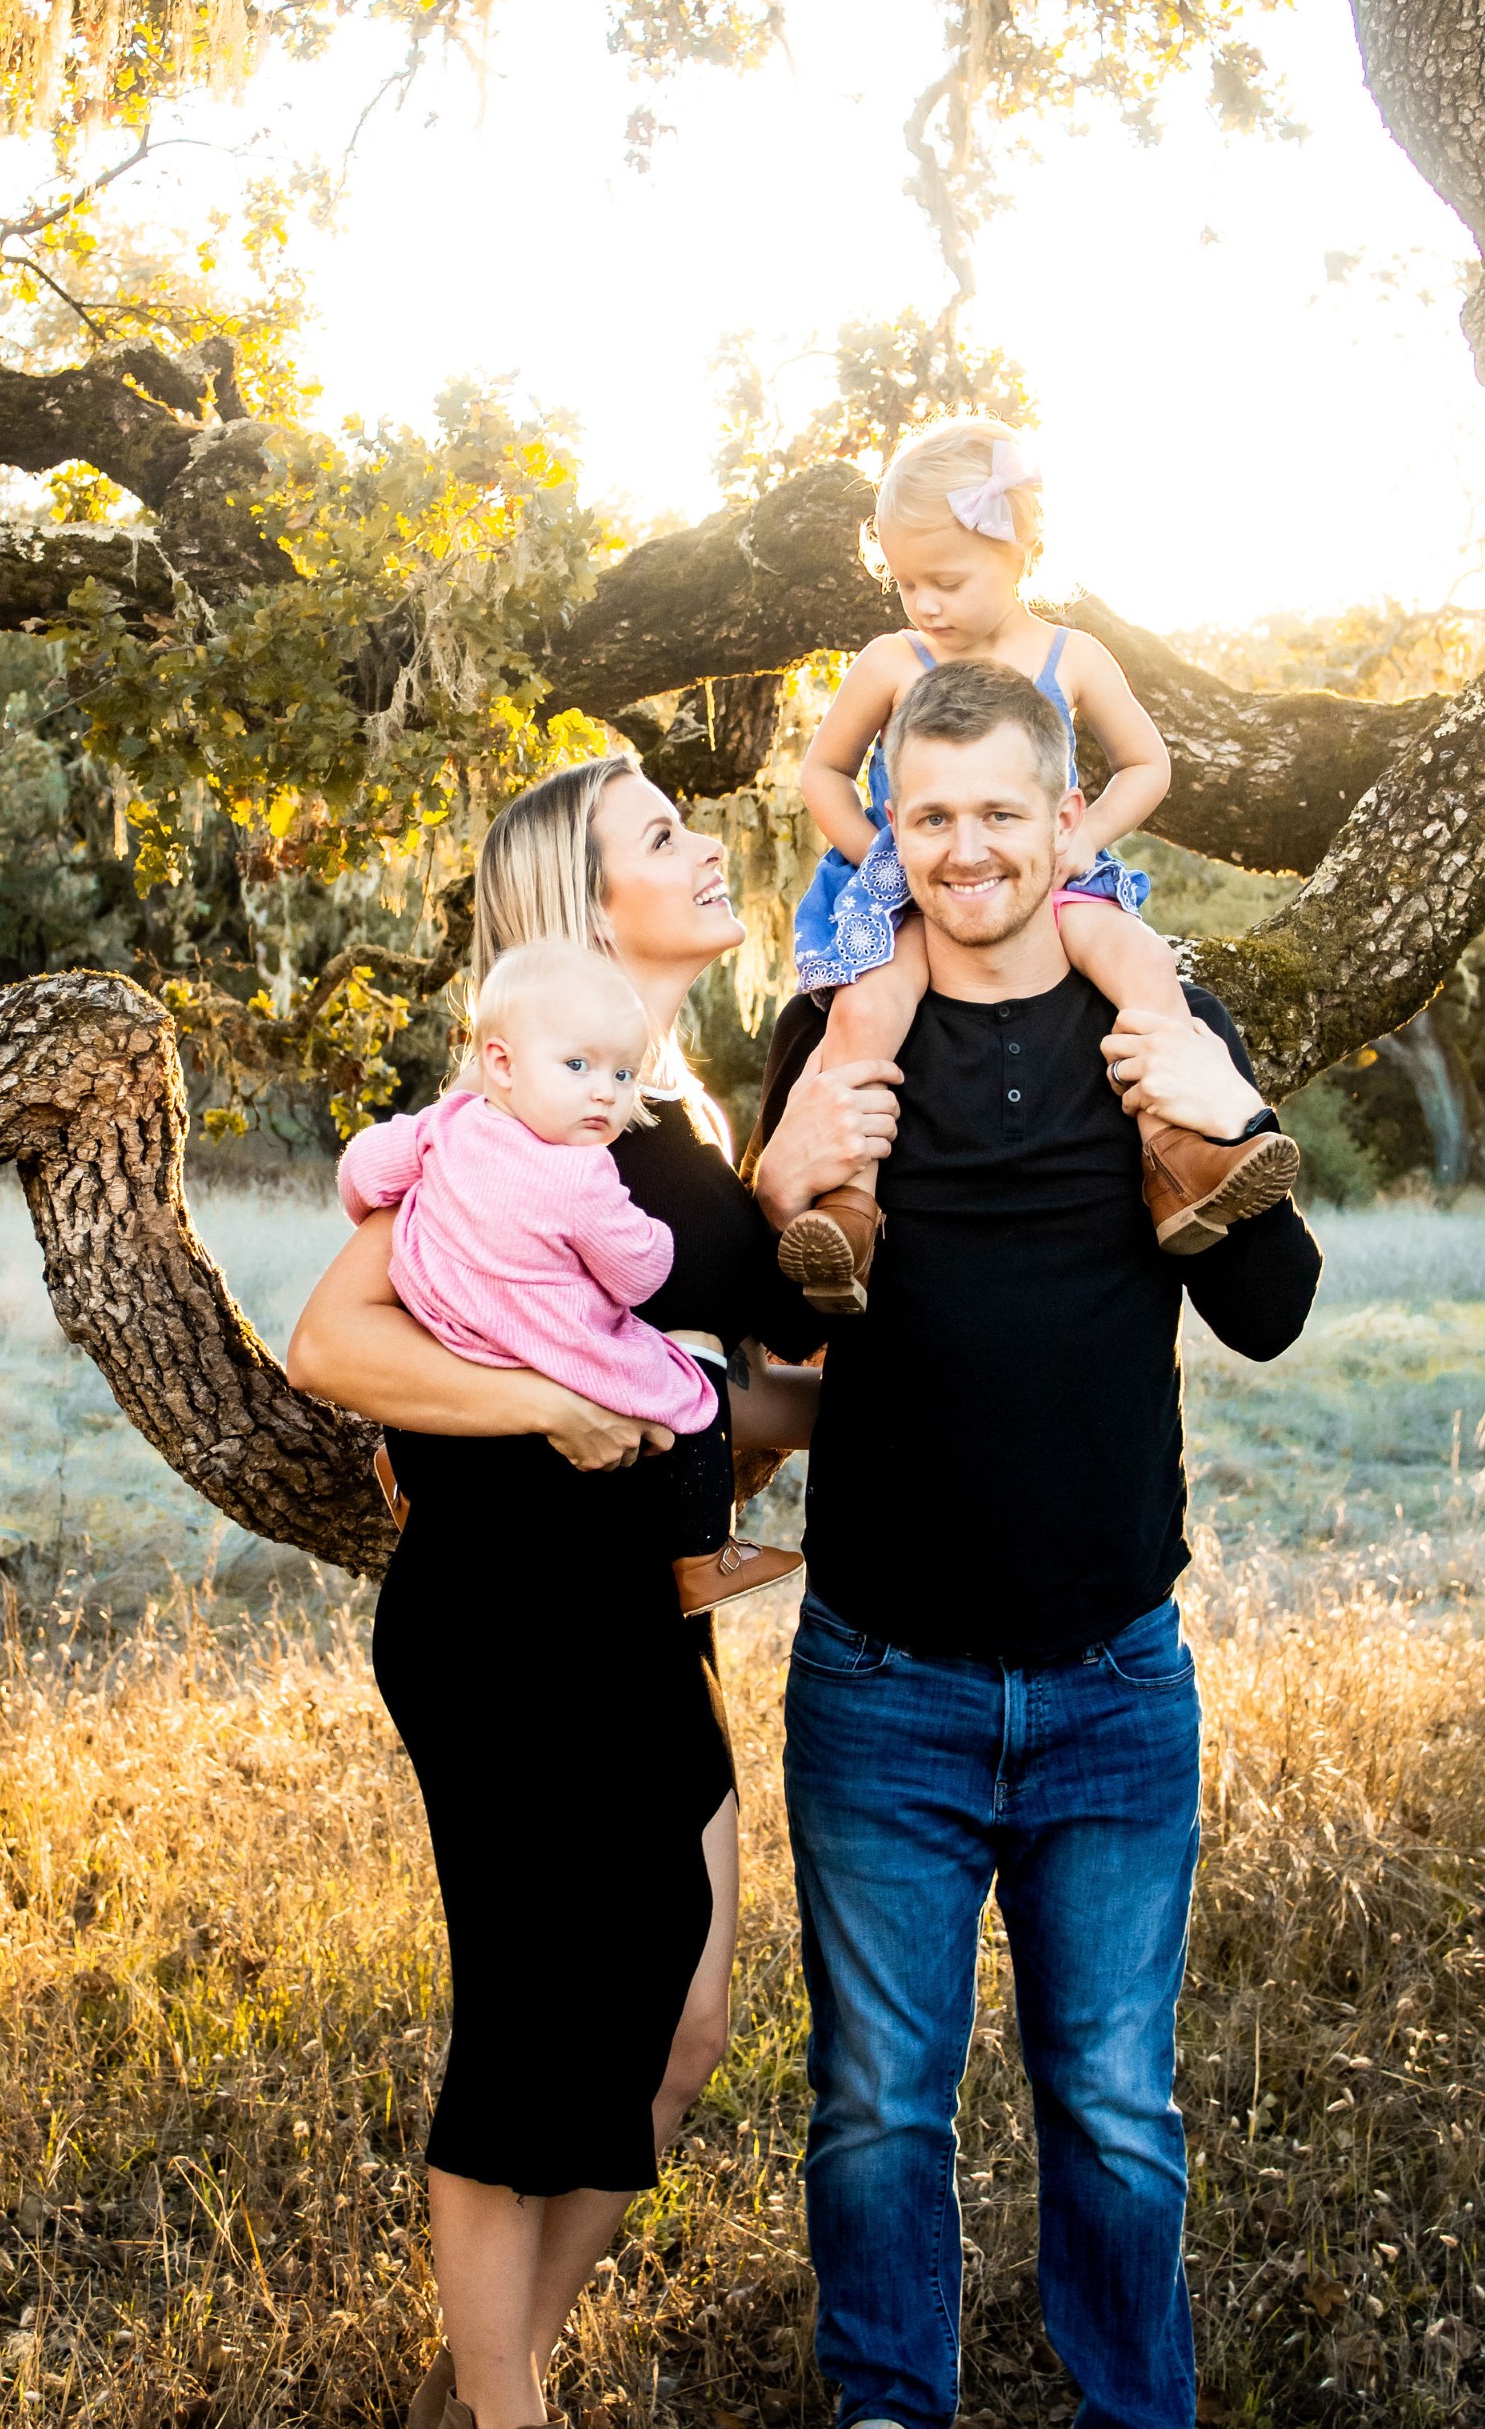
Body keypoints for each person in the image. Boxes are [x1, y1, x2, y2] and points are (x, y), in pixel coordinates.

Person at [752, 657, 1323, 2429]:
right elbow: (764, 1336)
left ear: (1069, 818)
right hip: (882, 1679)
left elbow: (1271, 1313)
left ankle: (1134, 2413)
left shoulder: (1159, 1019)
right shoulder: (831, 1030)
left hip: (1110, 1683)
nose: (967, 848)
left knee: (1116, 2109)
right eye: (930, 816)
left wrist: (1220, 1109)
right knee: (876, 2110)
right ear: (890, 829)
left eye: (1003, 810)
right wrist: (782, 1174)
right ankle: (887, 2409)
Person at [289, 754, 887, 2429]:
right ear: (581, 902)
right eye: (661, 835)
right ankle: (509, 2411)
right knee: (537, 2037)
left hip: (645, 1618)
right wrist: (548, 1406)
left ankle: (490, 2385)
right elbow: (332, 1341)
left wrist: (891, 1396)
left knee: (681, 2027)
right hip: (508, 1621)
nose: (705, 849)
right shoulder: (506, 1126)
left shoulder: (664, 1118)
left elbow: (707, 1384)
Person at [780, 416, 1299, 1309]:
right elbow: (823, 772)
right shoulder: (891, 661)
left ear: (1018, 551)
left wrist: (1085, 840)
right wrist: (885, 857)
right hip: (906, 888)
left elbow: (1147, 764)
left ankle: (1177, 1153)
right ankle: (847, 1207)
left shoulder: (1073, 656)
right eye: (905, 583)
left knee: (1140, 963)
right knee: (866, 1010)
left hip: (1053, 872)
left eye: (946, 581)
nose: (924, 605)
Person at [337, 939, 802, 1617]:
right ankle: (705, 1555)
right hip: (541, 1345)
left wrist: (418, 1218)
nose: (603, 1092)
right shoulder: (582, 1172)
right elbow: (638, 1275)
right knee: (691, 1369)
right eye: (578, 1067)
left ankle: (405, 1467)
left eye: (623, 1075)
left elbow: (362, 1174)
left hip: (444, 1332)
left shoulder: (446, 1127)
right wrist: (660, 1239)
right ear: (501, 1063)